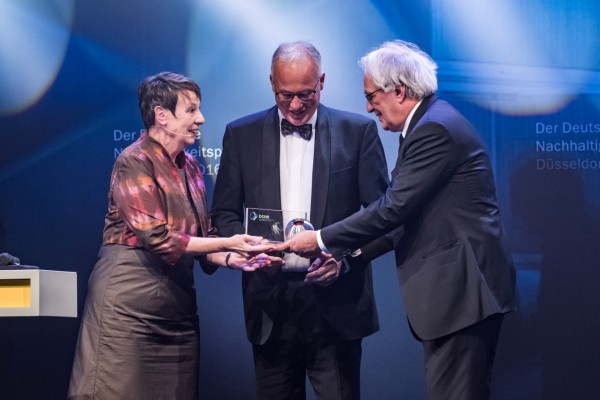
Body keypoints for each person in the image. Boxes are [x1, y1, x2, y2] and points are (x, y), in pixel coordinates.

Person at [281, 40, 517, 400]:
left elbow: (393, 208)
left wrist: (320, 240)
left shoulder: (434, 129)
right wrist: (348, 256)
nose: (368, 106)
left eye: (372, 96)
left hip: (464, 294)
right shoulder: (430, 122)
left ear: (399, 90)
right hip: (458, 297)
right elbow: (402, 219)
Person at [67, 71, 275, 400]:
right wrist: (228, 242)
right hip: (129, 308)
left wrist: (237, 257)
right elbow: (159, 238)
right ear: (162, 116)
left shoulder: (190, 168)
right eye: (191, 110)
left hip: (176, 310)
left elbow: (201, 241)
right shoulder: (134, 161)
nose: (201, 119)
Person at [210, 41, 389, 400]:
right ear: (271, 84)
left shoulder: (359, 132)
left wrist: (345, 259)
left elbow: (385, 217)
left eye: (305, 94)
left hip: (337, 304)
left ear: (322, 81)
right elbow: (224, 214)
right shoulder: (240, 135)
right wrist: (252, 253)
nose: (294, 105)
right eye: (284, 95)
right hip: (270, 305)